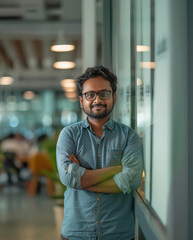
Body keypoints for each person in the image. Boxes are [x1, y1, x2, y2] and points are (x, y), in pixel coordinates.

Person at [56, 66, 144, 240]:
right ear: (81, 101)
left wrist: (81, 180)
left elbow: (130, 181)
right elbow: (68, 178)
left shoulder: (129, 137)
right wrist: (115, 170)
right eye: (90, 95)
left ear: (114, 97)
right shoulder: (69, 135)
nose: (97, 100)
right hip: (76, 233)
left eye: (104, 93)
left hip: (117, 234)